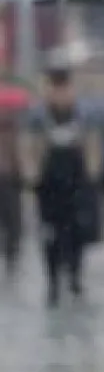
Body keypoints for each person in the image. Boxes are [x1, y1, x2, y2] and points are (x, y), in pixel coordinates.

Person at [23, 68, 102, 305]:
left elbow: (93, 146)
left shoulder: (83, 115)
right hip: (49, 185)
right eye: (55, 88)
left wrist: (92, 175)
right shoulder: (38, 117)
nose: (59, 94)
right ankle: (53, 281)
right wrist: (31, 177)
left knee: (78, 231)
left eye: (64, 88)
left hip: (77, 183)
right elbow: (28, 148)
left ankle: (75, 275)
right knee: (50, 234)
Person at [0, 114, 21, 279]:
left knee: (12, 222)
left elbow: (19, 157)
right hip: (7, 179)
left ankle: (11, 255)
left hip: (10, 180)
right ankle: (10, 254)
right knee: (11, 222)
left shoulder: (15, 131)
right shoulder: (14, 132)